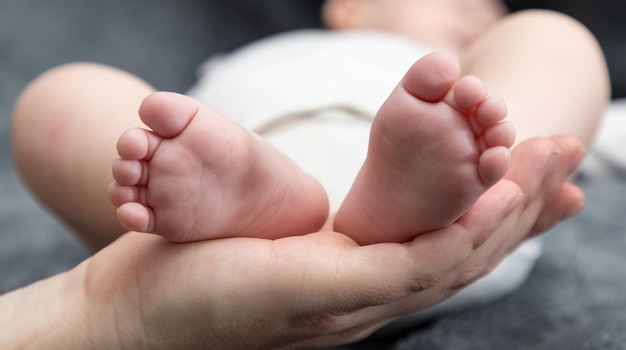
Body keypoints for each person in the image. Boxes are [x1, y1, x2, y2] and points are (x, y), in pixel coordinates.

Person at [1, 0, 608, 348]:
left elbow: (594, 131)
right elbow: (167, 137)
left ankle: (461, 179)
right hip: (220, 200)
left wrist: (532, 87)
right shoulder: (247, 66)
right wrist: (177, 154)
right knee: (61, 101)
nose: (483, 14)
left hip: (469, 225)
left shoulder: (476, 92)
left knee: (555, 41)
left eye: (495, 15)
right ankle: (268, 202)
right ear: (350, 7)